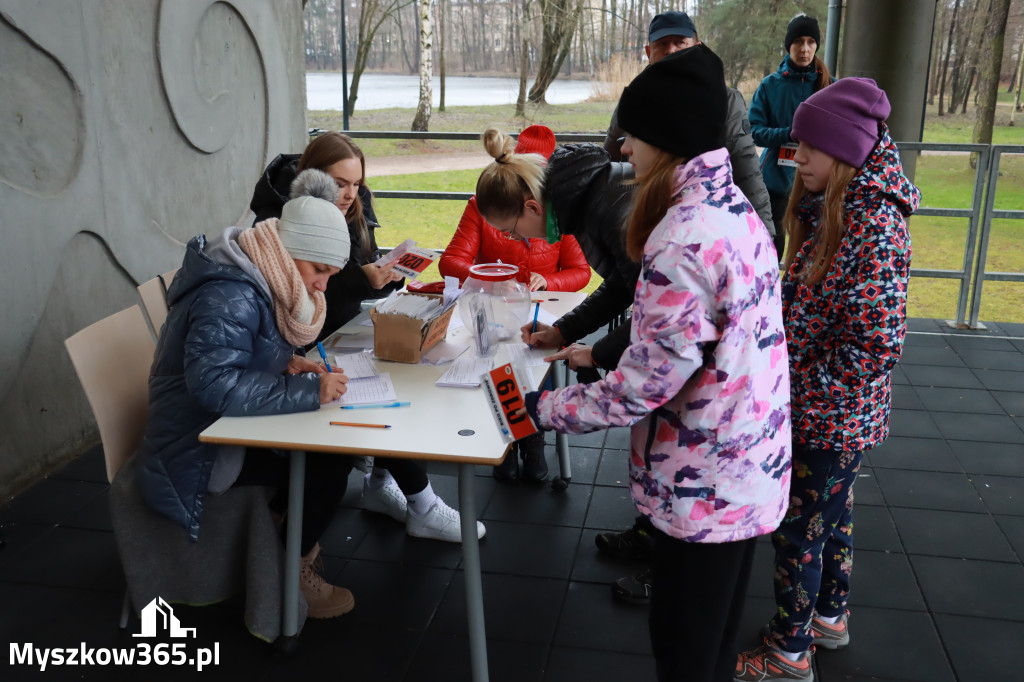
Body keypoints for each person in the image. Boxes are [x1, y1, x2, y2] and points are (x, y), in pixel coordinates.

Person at [518, 46, 792, 682]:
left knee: (684, 651)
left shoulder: (685, 234)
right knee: (711, 646)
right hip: (743, 467)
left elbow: (644, 385)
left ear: (665, 138)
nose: (624, 150)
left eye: (632, 136)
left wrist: (541, 406)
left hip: (706, 481)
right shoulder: (733, 212)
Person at [734, 78, 919, 681]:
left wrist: (802, 394)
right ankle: (829, 617)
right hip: (827, 409)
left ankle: (789, 652)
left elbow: (875, 343)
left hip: (829, 413)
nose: (797, 157)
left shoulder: (874, 225)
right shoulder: (834, 206)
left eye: (810, 148)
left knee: (798, 531)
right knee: (830, 519)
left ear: (846, 150)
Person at [136, 169, 358, 619]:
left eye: (331, 275)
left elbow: (235, 357)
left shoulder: (259, 271)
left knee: (328, 450)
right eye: (319, 270)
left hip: (212, 425)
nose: (322, 286)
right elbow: (213, 384)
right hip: (195, 449)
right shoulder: (231, 294)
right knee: (331, 460)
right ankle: (289, 567)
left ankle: (285, 531)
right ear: (291, 251)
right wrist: (306, 390)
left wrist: (287, 363)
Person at [250, 132, 485, 543]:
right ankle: (420, 505)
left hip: (336, 335)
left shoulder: (354, 209)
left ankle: (384, 487)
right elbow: (296, 293)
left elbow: (332, 283)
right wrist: (362, 279)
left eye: (357, 184)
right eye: (340, 184)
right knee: (379, 397)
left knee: (395, 379)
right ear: (313, 179)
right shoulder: (283, 226)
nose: (349, 194)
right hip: (303, 347)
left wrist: (382, 276)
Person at [439, 124, 590, 482]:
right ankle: (507, 439)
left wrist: (547, 280)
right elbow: (451, 261)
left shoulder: (557, 213)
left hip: (538, 310)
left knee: (537, 359)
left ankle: (531, 438)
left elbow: (580, 271)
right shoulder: (483, 206)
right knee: (493, 360)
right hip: (493, 313)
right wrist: (493, 276)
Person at [604, 10, 774, 242]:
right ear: (648, 52)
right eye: (662, 43)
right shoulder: (634, 100)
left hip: (707, 232)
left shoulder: (726, 100)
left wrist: (766, 233)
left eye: (680, 42)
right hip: (646, 227)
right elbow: (611, 163)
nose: (671, 50)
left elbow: (746, 169)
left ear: (697, 46)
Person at [748, 14, 832, 259]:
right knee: (770, 251)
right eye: (798, 41)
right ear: (788, 45)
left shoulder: (830, 87)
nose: (805, 49)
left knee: (811, 252)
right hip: (775, 184)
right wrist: (789, 133)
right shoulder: (769, 86)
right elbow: (754, 132)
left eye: (810, 42)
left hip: (817, 185)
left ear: (817, 45)